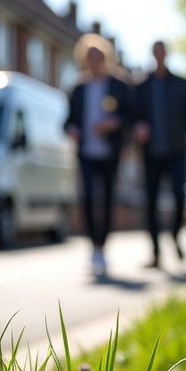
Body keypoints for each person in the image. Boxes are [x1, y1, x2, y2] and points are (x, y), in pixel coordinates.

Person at [64, 33, 134, 278]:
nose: (95, 61)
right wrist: (72, 130)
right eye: (91, 57)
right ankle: (93, 247)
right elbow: (68, 121)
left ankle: (103, 247)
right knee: (88, 199)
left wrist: (114, 124)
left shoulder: (118, 85)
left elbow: (130, 116)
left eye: (100, 56)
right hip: (86, 152)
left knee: (107, 199)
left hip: (110, 152)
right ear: (84, 59)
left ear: (106, 58)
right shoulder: (79, 89)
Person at [133, 40, 186, 269]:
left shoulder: (181, 85)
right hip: (151, 153)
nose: (160, 56)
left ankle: (175, 236)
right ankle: (155, 252)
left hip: (176, 151)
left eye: (163, 52)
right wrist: (138, 127)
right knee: (151, 203)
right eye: (156, 53)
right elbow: (132, 116)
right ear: (153, 55)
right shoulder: (142, 86)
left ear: (167, 55)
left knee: (179, 197)